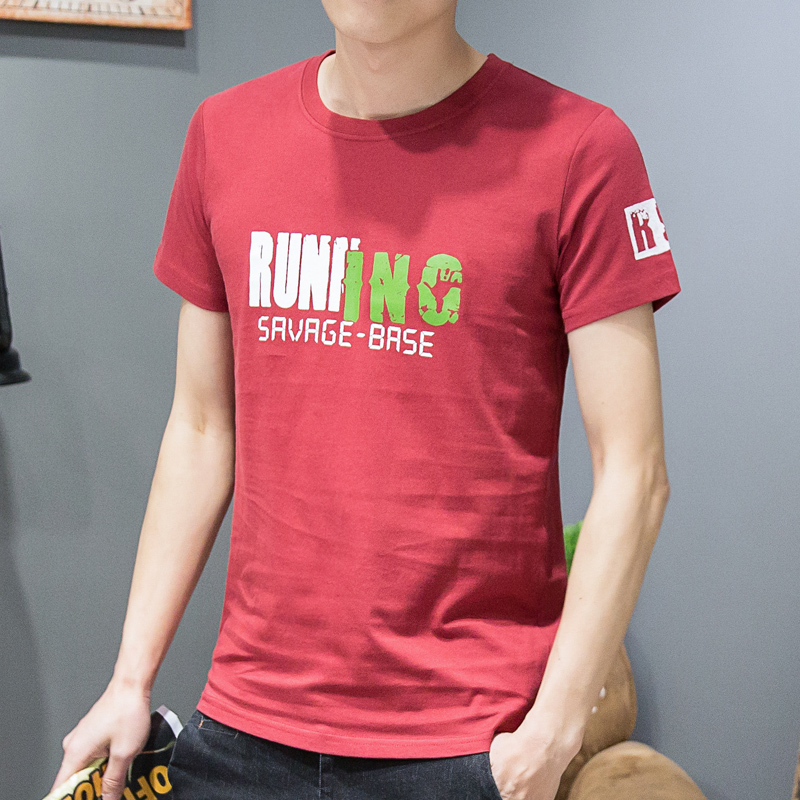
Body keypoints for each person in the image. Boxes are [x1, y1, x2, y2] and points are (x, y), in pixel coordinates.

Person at [50, 2, 681, 799]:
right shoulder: (225, 133)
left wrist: (551, 735)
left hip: (466, 745)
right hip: (244, 731)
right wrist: (129, 679)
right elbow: (203, 427)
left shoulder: (581, 150)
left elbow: (635, 473)